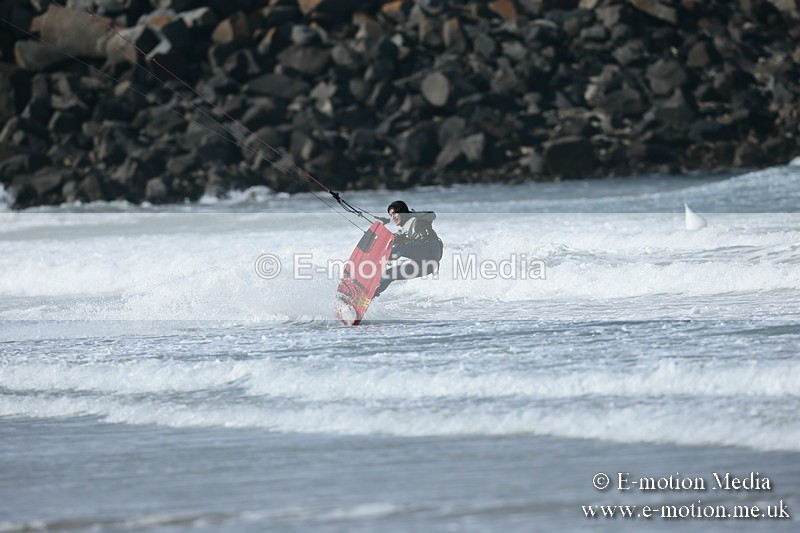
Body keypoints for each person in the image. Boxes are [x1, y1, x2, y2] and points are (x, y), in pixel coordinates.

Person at [374, 200, 443, 297]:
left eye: (394, 213)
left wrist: (410, 214)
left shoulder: (416, 219)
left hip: (430, 252)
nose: (393, 217)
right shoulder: (402, 231)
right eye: (390, 215)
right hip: (427, 267)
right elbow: (391, 239)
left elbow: (432, 215)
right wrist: (381, 227)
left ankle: (375, 263)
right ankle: (369, 294)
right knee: (389, 274)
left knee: (400, 247)